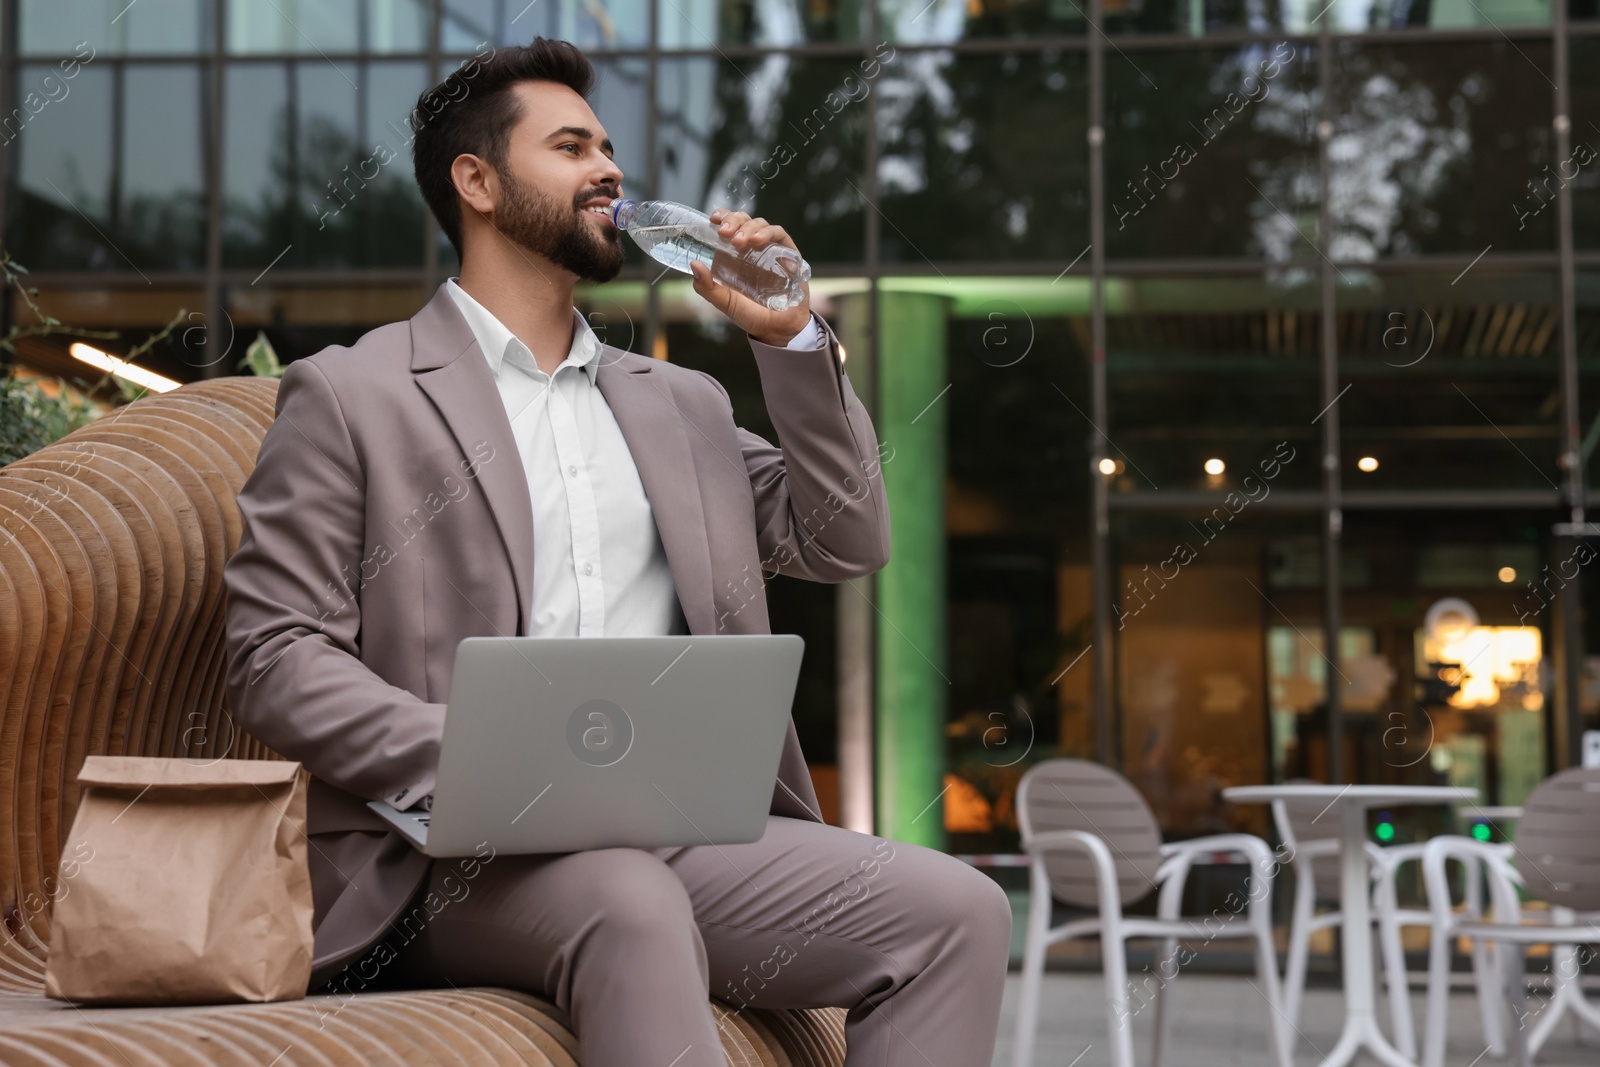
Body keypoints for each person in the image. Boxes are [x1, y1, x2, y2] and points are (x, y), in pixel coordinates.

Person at [222, 36, 1010, 1067]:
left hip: (682, 827)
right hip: (448, 856)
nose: (610, 169)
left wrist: (793, 343)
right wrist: (473, 753)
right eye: (570, 146)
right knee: (629, 901)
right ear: (478, 183)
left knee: (959, 908)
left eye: (607, 147)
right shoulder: (353, 394)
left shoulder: (679, 402)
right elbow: (275, 655)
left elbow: (844, 536)